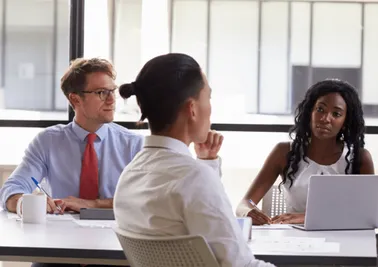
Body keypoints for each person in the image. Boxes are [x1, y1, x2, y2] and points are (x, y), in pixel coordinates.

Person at [113, 53, 274, 267]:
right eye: (208, 98)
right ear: (192, 109)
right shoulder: (194, 178)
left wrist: (207, 163)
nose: (210, 107)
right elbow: (240, 265)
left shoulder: (131, 174)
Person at [1, 58, 143, 215]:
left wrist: (91, 205)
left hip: (117, 235)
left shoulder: (134, 145)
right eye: (101, 93)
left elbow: (145, 200)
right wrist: (24, 203)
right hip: (60, 233)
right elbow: (12, 189)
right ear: (75, 99)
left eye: (112, 91)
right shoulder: (48, 141)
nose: (111, 100)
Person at [236, 79, 374, 225]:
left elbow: (368, 215)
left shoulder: (360, 158)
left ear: (346, 121)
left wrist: (307, 217)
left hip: (344, 239)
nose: (325, 119)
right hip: (294, 240)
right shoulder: (284, 152)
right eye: (320, 109)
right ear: (310, 112)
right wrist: (248, 209)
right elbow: (246, 202)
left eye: (336, 114)